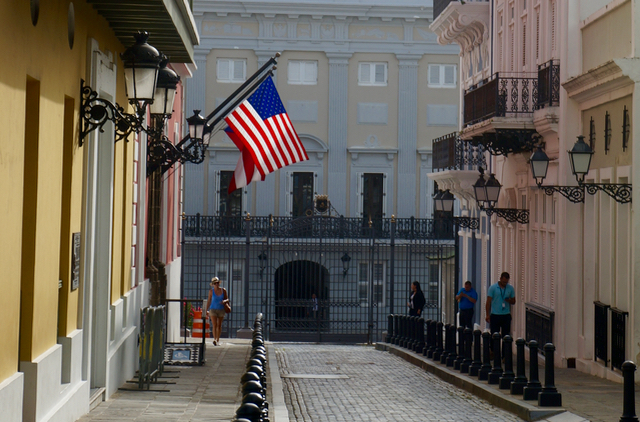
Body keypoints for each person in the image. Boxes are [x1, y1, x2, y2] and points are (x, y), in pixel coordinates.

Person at [485, 272, 516, 337]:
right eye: (504, 282)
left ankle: (505, 347)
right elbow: (488, 302)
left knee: (506, 335)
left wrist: (509, 300)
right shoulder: (493, 288)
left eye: (506, 282)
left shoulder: (510, 288)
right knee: (494, 335)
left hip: (506, 314)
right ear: (500, 279)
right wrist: (487, 314)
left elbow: (513, 301)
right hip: (495, 315)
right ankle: (494, 347)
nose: (505, 283)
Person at [206, 277, 230, 346]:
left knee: (219, 325)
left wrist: (224, 301)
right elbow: (209, 301)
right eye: (215, 283)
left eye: (217, 283)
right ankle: (215, 339)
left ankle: (218, 339)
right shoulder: (211, 291)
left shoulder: (223, 290)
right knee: (214, 324)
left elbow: (227, 299)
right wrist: (206, 309)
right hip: (213, 309)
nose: (216, 284)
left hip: (221, 309)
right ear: (213, 284)